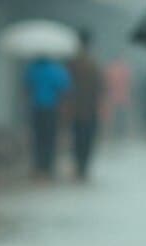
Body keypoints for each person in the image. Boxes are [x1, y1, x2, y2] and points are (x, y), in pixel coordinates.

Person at [26, 53, 72, 178]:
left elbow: (27, 87)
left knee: (38, 138)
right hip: (52, 109)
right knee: (50, 138)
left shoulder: (33, 69)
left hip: (36, 108)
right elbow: (64, 88)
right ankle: (48, 167)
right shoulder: (57, 70)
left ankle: (38, 166)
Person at [66, 31, 105, 180]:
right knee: (86, 140)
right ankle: (82, 168)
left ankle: (80, 167)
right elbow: (100, 88)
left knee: (78, 139)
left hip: (78, 109)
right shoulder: (93, 64)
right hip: (88, 110)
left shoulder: (72, 63)